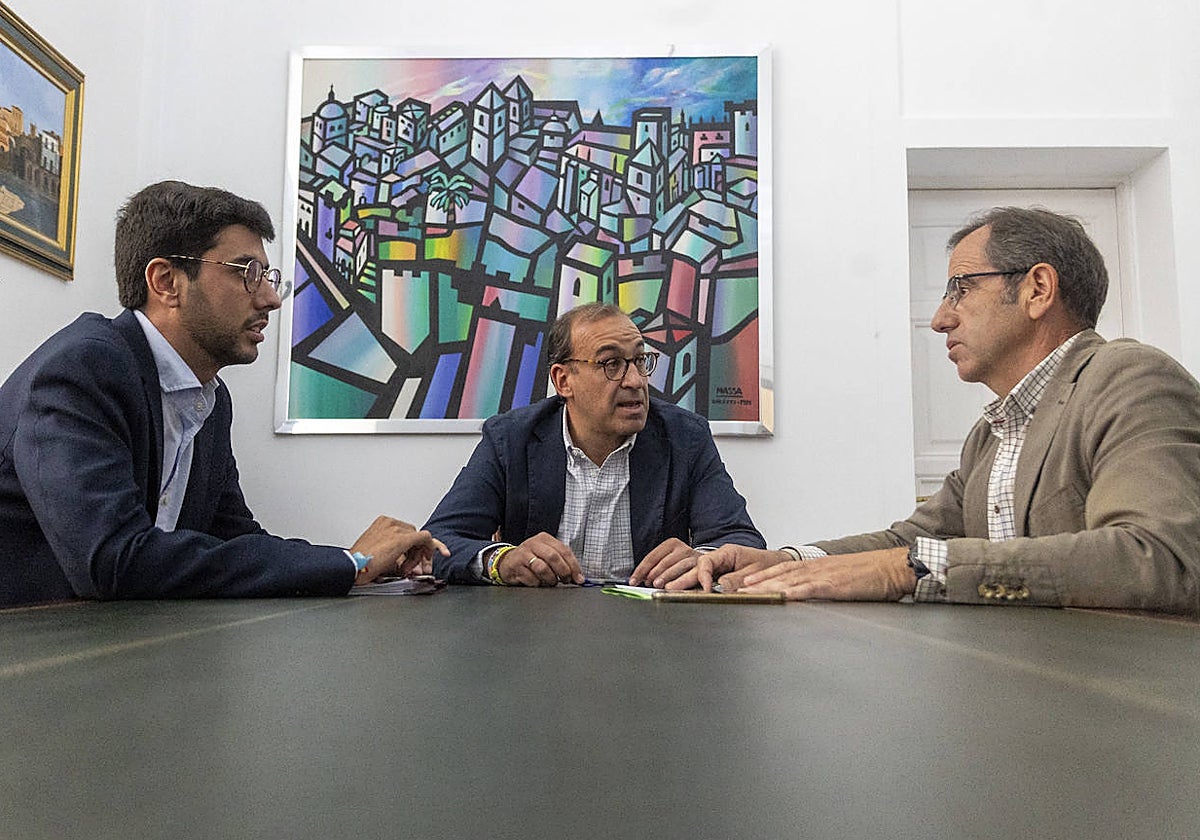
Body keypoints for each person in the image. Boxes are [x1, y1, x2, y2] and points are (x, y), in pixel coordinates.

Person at [677, 207, 1200, 615]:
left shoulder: (1130, 379)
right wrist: (785, 561)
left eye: (960, 289)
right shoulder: (991, 433)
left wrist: (904, 570)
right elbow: (914, 541)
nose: (939, 319)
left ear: (1037, 290)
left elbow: (1160, 559)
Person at [0, 180, 445, 606]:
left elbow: (234, 538)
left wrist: (358, 563)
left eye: (267, 276)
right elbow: (113, 560)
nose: (271, 298)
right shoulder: (83, 369)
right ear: (166, 281)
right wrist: (350, 564)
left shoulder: (210, 400)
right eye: (248, 273)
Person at [423, 301, 765, 586]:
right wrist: (501, 560)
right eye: (611, 364)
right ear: (563, 380)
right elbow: (438, 543)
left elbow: (741, 540)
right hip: (536, 627)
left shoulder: (685, 437)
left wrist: (701, 558)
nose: (635, 381)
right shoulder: (510, 439)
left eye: (640, 361)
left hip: (652, 627)